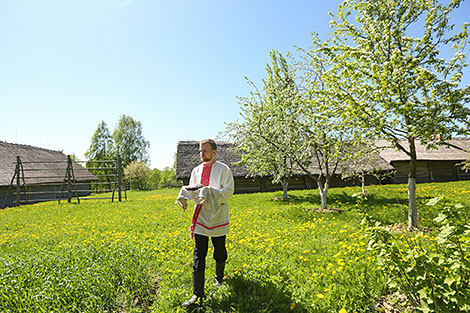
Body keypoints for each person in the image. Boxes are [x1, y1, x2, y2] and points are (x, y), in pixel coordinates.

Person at [179, 139, 234, 308]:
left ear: (214, 152)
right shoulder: (196, 170)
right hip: (201, 216)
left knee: (220, 249)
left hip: (218, 215)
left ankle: (219, 277)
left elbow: (228, 191)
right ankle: (197, 294)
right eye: (200, 151)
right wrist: (189, 194)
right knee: (199, 254)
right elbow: (194, 190)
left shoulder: (224, 169)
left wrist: (210, 191)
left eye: (205, 151)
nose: (202, 154)